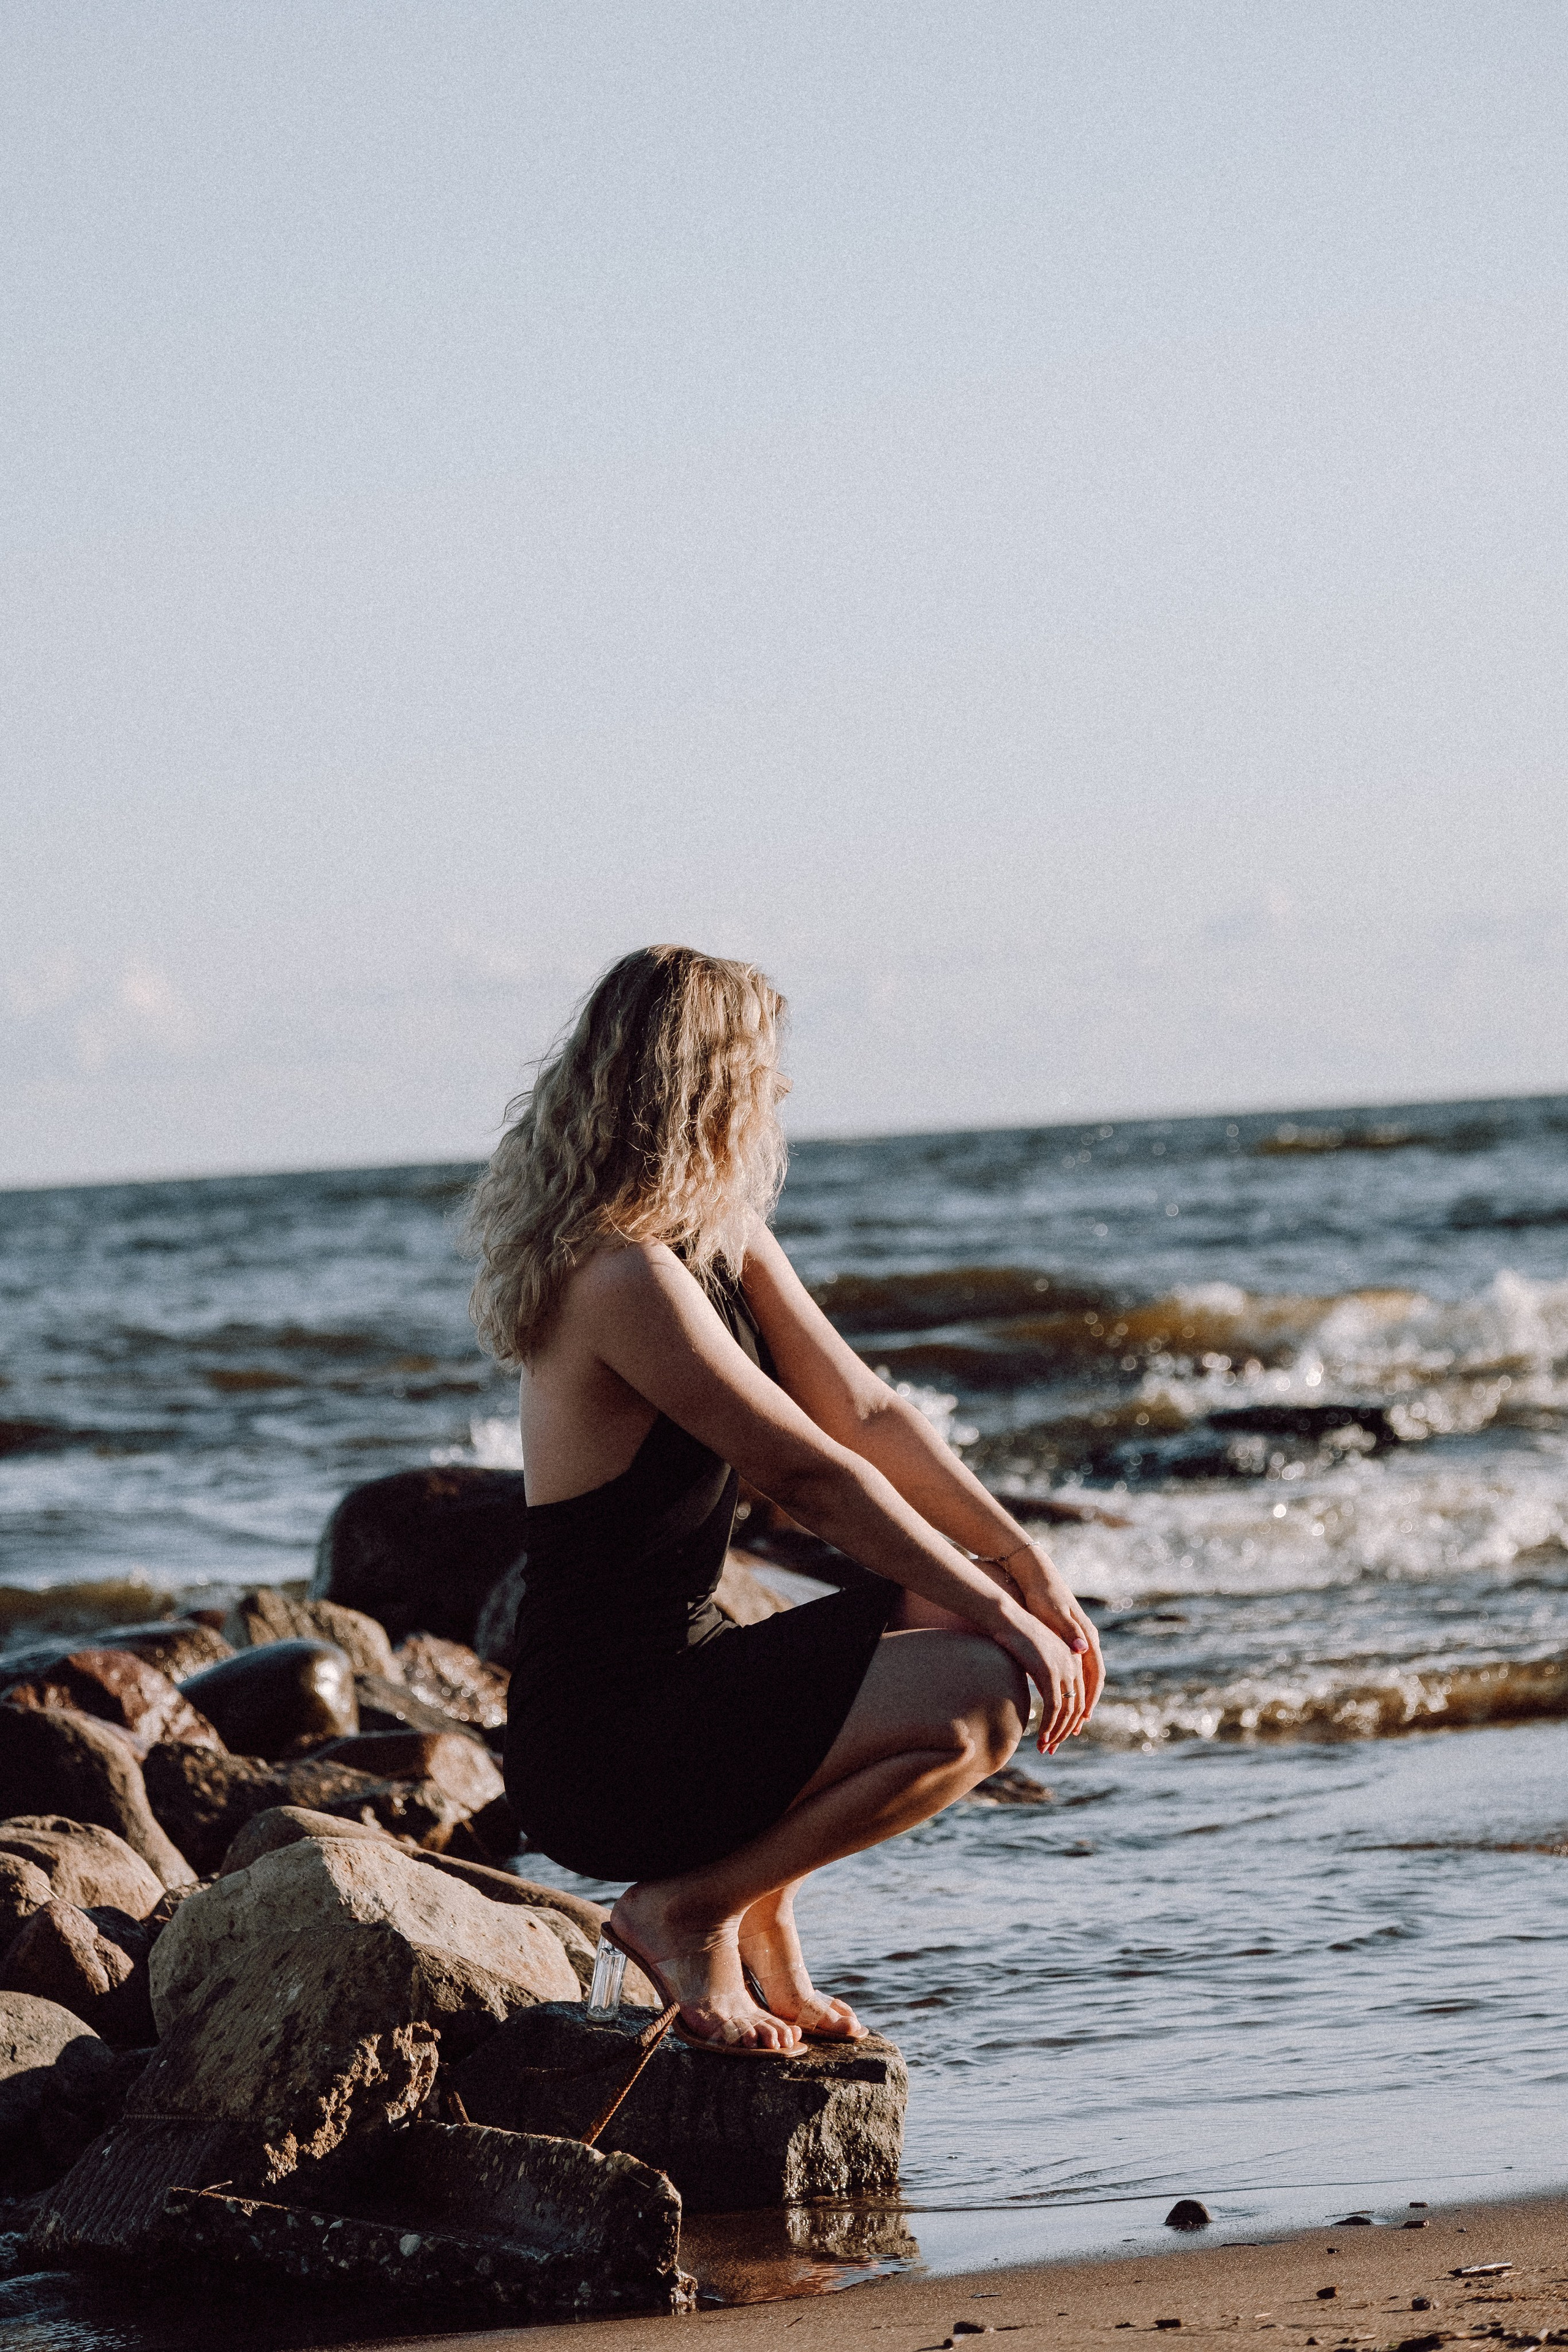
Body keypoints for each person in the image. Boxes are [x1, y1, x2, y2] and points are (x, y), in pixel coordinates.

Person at [464, 945, 1103, 2054]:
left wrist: (1022, 1566)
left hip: (687, 1675)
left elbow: (865, 1415)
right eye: (765, 1066)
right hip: (607, 1739)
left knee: (960, 1618)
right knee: (985, 1688)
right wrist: (1004, 1618)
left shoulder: (714, 1240)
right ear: (706, 1080)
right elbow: (814, 1475)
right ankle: (685, 1911)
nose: (784, 1091)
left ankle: (764, 1914)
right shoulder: (622, 1278)